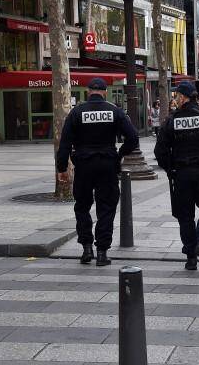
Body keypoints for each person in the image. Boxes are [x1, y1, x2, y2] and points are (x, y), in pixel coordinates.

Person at [56, 78, 139, 266]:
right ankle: (102, 251)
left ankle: (86, 247)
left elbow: (65, 144)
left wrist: (62, 168)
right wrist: (120, 154)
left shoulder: (76, 112)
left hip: (84, 166)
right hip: (107, 165)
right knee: (106, 209)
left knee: (82, 206)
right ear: (105, 92)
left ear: (88, 91)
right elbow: (133, 137)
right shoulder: (114, 111)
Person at [154, 81, 199, 270]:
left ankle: (191, 257)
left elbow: (160, 151)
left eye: (176, 96)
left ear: (183, 97)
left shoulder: (172, 120)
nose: (175, 100)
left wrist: (170, 168)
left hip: (181, 174)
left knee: (185, 216)